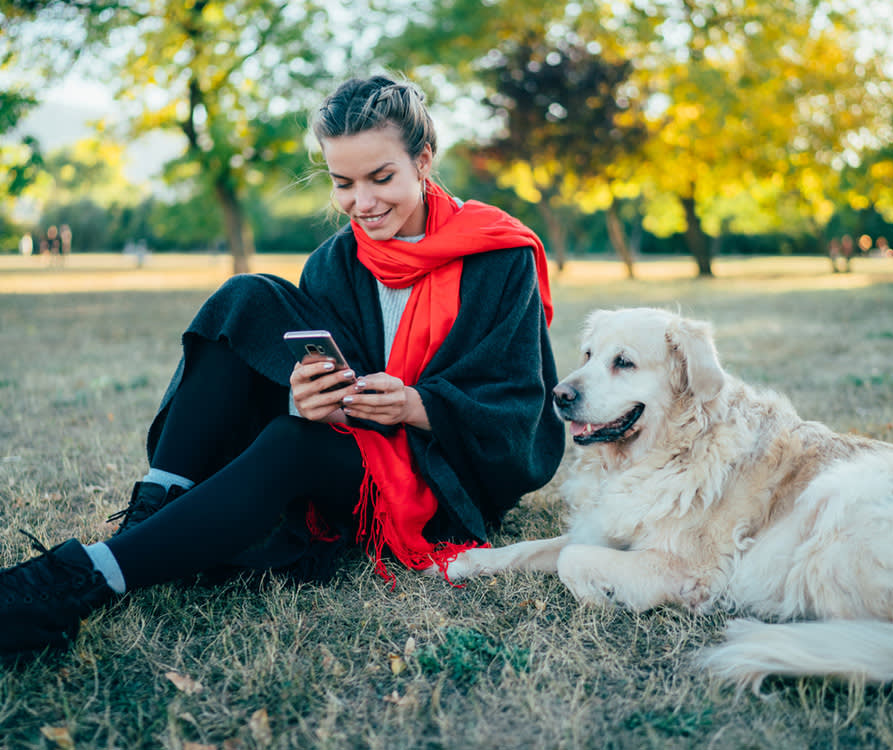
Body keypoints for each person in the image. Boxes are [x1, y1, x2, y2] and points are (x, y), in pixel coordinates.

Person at [0, 74, 565, 657]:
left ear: (424, 160)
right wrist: (304, 397)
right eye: (343, 183)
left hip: (444, 474)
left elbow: (521, 410)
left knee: (291, 443)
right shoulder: (334, 262)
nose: (362, 204)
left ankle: (78, 579)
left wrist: (419, 405)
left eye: (382, 178)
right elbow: (315, 379)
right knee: (245, 299)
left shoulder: (499, 257)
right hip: (360, 449)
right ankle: (151, 515)